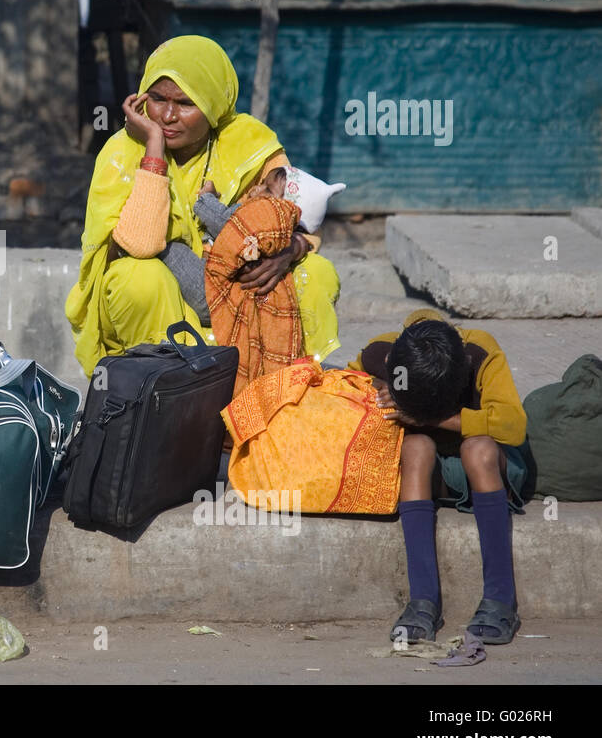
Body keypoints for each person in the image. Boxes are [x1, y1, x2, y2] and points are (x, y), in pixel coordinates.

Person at [64, 35, 340, 378]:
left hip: (242, 290)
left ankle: (291, 387)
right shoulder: (122, 152)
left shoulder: (248, 142)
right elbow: (141, 244)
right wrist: (153, 149)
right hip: (169, 298)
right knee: (137, 277)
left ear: (211, 105)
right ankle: (172, 391)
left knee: (316, 272)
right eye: (157, 99)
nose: (166, 115)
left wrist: (289, 249)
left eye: (185, 103)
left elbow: (302, 220)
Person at [350, 309, 533, 645]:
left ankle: (500, 599)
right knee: (415, 446)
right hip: (435, 470)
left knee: (477, 450)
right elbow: (344, 387)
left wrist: (431, 417)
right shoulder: (383, 355)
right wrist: (378, 389)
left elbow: (513, 425)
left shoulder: (478, 351)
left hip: (491, 467)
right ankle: (423, 602)